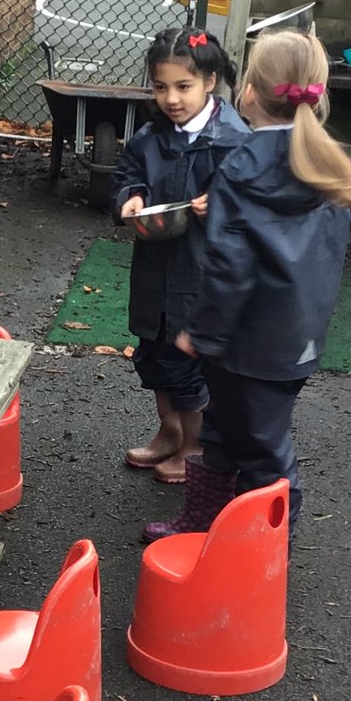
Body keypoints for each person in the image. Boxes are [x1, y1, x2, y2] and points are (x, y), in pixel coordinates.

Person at [145, 28, 351, 542]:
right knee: (226, 430)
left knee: (267, 454)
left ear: (247, 91)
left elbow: (229, 264)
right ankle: (203, 523)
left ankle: (268, 556)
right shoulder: (326, 163)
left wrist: (202, 332)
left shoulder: (243, 166)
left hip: (247, 343)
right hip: (295, 338)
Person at [114, 25, 249, 484]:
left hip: (201, 273)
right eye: (161, 86)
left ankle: (196, 449)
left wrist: (222, 205)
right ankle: (169, 433)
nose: (171, 98)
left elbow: (252, 203)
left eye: (183, 86)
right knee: (154, 355)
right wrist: (131, 196)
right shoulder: (152, 136)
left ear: (210, 81)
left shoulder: (231, 140)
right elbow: (129, 172)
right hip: (156, 267)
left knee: (187, 367)